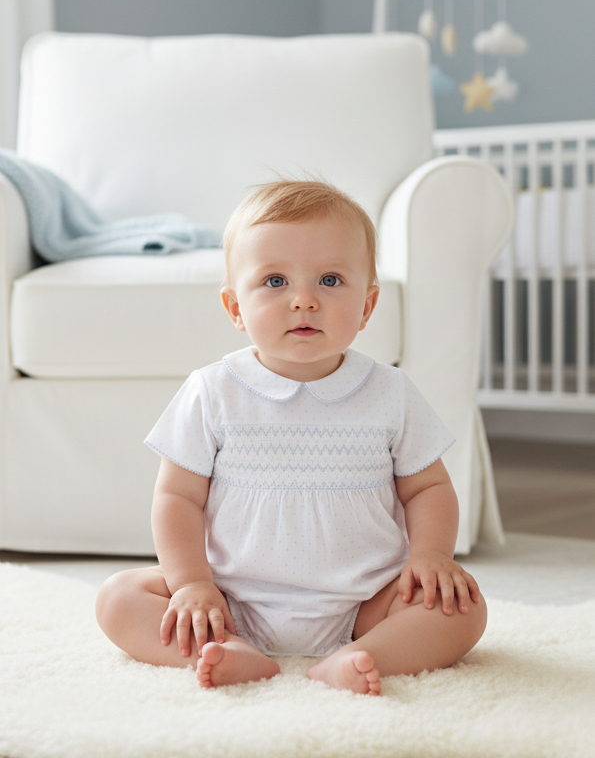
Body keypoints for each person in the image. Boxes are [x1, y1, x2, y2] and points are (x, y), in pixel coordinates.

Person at [96, 179, 487, 696]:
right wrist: (193, 584)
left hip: (365, 600)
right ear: (235, 308)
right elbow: (177, 496)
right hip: (231, 601)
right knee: (118, 597)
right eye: (275, 281)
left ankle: (364, 654)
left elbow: (428, 488)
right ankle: (232, 651)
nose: (303, 301)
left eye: (329, 280)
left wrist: (432, 556)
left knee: (464, 610)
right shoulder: (213, 391)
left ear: (367, 307)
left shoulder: (390, 391)